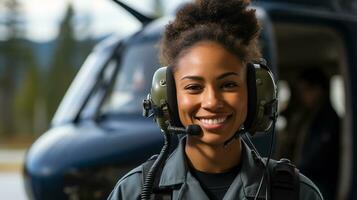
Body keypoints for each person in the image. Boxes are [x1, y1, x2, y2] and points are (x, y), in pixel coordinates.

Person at [107, 0, 323, 199]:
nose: (211, 102)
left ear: (254, 92)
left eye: (228, 85)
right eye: (193, 87)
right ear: (168, 99)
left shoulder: (297, 193)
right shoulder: (133, 192)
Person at [277, 67, 340, 200]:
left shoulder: (328, 118)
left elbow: (318, 154)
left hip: (320, 180)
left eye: (305, 90)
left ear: (318, 90)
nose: (302, 96)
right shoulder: (307, 115)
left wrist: (296, 174)